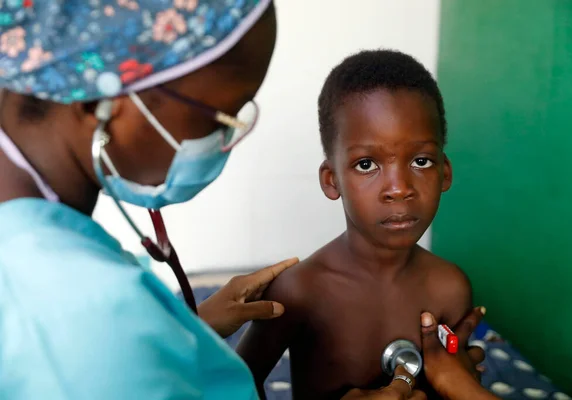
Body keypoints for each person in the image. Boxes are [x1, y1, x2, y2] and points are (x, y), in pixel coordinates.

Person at [0, 2, 471, 399]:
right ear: (100, 102)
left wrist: (189, 325)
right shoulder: (76, 318)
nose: (229, 137)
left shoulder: (54, 266)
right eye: (221, 112)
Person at [236, 49, 476, 399]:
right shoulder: (300, 291)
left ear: (445, 172)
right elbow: (236, 384)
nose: (399, 189)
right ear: (331, 180)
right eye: (366, 164)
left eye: (421, 161)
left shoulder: (450, 289)